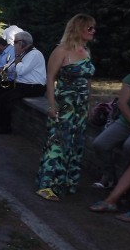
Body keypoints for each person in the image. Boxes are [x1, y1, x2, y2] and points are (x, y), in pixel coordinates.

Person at [36, 14, 96, 201]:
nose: (93, 31)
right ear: (79, 29)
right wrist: (52, 105)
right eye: (90, 28)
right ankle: (47, 185)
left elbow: (88, 82)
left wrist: (89, 104)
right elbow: (50, 79)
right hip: (65, 105)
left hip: (80, 107)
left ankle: (66, 182)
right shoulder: (61, 51)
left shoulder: (86, 51)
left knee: (75, 144)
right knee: (58, 143)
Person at [0, 31, 46, 134]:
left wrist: (17, 56)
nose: (14, 45)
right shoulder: (24, 54)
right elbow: (12, 67)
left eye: (16, 42)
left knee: (5, 98)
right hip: (22, 84)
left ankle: (5, 127)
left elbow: (21, 71)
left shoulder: (35, 54)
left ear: (22, 43)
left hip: (33, 86)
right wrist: (4, 69)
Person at [90, 73, 130, 189]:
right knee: (100, 144)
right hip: (126, 121)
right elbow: (122, 103)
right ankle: (110, 176)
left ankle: (122, 184)